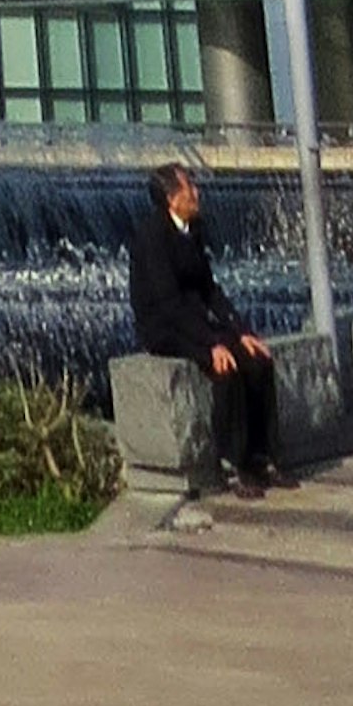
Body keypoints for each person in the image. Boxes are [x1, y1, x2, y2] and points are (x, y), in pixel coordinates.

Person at [132, 157, 279, 488]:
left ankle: (262, 454)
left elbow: (209, 289)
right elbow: (168, 304)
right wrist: (210, 345)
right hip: (164, 329)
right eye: (190, 187)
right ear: (173, 198)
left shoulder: (192, 230)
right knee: (225, 369)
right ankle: (233, 462)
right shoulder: (151, 237)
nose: (197, 192)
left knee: (257, 360)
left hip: (194, 320)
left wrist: (240, 331)